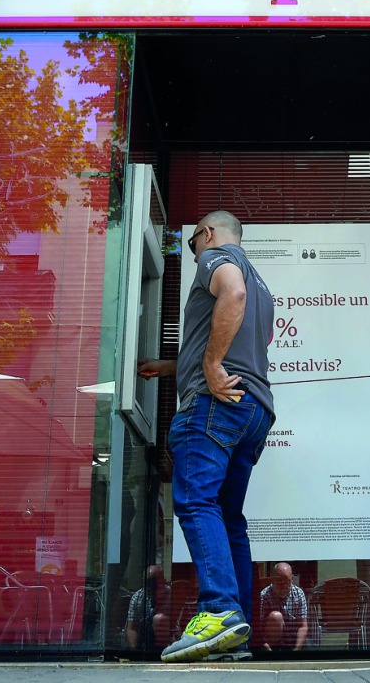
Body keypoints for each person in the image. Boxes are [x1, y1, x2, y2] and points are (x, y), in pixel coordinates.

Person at [138, 210, 275, 663]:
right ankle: (236, 632)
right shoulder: (264, 287)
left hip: (215, 406)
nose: (193, 251)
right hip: (253, 410)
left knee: (197, 501)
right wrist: (171, 367)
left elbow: (232, 293)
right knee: (229, 518)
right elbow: (239, 340)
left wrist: (212, 367)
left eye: (193, 241)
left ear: (208, 233)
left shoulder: (218, 259)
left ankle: (218, 611)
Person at [258, 562, 309, 651]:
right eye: (279, 582)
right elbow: (259, 629)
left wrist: (297, 649)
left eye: (287, 582)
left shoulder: (299, 593)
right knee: (276, 616)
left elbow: (303, 626)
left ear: (292, 579)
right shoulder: (264, 596)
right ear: (272, 580)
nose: (283, 587)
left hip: (293, 639)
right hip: (272, 642)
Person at [125, 565, 173, 649]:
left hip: (165, 641)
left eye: (155, 581)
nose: (151, 586)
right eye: (148, 582)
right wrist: (134, 648)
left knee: (159, 619)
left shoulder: (171, 595)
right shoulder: (137, 597)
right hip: (145, 637)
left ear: (162, 581)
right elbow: (131, 627)